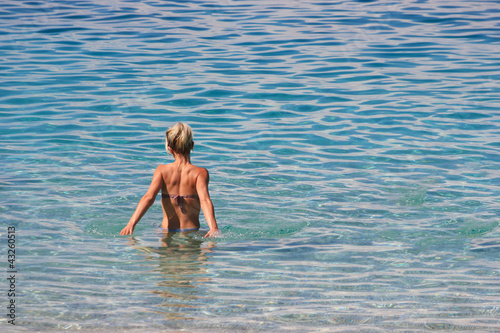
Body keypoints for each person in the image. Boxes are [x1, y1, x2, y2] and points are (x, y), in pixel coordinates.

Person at [120, 122, 220, 238]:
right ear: (192, 145)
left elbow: (149, 197)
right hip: (191, 231)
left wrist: (131, 223)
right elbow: (205, 201)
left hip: (166, 232)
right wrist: (213, 228)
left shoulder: (162, 170)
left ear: (170, 149)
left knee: (164, 255)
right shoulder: (200, 173)